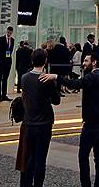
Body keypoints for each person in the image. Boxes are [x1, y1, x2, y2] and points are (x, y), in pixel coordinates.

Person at [40, 53, 99, 187]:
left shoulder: (93, 77)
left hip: (92, 124)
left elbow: (75, 84)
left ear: (94, 62)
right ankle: (98, 184)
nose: (83, 63)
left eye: (86, 61)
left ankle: (86, 185)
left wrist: (57, 77)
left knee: (83, 156)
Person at [19, 48, 61, 187]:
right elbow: (56, 100)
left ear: (32, 60)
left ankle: (26, 183)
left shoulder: (24, 78)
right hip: (44, 123)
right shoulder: (46, 80)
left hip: (29, 122)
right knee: (40, 159)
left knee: (29, 156)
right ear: (45, 61)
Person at [0, 26, 15, 102]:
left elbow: (10, 51)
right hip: (1, 62)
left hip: (8, 62)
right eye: (8, 32)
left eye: (10, 33)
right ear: (6, 31)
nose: (9, 34)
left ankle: (4, 95)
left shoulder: (12, 40)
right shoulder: (1, 39)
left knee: (5, 79)